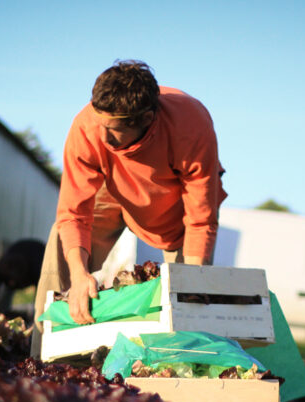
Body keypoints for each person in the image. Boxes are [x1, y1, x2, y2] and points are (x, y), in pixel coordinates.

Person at [33, 59, 226, 349]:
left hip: (173, 205)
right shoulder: (88, 126)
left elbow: (200, 218)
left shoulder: (191, 124)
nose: (102, 135)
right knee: (61, 241)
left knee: (189, 300)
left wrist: (194, 281)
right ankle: (40, 352)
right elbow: (73, 213)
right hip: (111, 188)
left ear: (146, 119)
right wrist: (78, 275)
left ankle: (178, 373)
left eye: (113, 129)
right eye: (100, 123)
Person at [0, 238, 45, 318]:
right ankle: (1, 315)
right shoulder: (0, 269)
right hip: (18, 256)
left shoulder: (36, 270)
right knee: (5, 296)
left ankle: (35, 319)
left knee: (40, 303)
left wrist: (37, 315)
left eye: (14, 281)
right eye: (10, 281)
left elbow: (41, 295)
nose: (12, 283)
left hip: (39, 256)